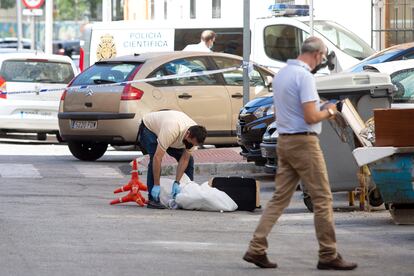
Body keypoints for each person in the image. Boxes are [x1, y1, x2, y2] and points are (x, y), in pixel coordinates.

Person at [243, 37, 358, 271]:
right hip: (304, 142)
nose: (322, 61)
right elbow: (310, 117)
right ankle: (328, 254)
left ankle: (256, 248)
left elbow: (290, 106)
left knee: (279, 198)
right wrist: (330, 111)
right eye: (323, 57)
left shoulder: (283, 74)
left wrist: (318, 104)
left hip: (284, 141)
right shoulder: (304, 76)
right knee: (323, 198)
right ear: (316, 54)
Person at [138, 110, 207, 209]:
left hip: (173, 136)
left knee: (190, 161)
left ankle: (186, 194)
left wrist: (177, 182)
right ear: (188, 134)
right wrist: (157, 185)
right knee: (155, 157)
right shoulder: (171, 129)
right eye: (191, 143)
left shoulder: (194, 136)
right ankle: (153, 199)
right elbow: (158, 158)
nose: (191, 146)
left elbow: (184, 160)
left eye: (194, 145)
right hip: (149, 129)